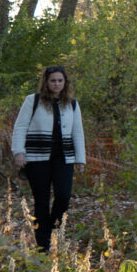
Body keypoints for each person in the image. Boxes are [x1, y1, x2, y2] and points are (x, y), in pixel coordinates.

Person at [10, 65, 86, 251]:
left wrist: (80, 158)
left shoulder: (72, 104)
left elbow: (78, 132)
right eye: (53, 80)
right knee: (41, 200)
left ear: (65, 82)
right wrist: (19, 152)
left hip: (63, 158)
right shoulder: (32, 101)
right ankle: (42, 245)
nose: (57, 84)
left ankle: (53, 229)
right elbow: (20, 127)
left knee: (63, 196)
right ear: (46, 82)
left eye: (60, 80)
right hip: (37, 159)